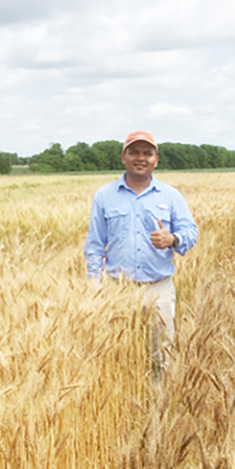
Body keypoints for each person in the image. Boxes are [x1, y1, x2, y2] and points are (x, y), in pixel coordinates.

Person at [83, 130, 198, 372]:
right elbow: (94, 246)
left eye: (147, 153)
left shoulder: (170, 196)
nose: (140, 158)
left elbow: (190, 233)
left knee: (162, 358)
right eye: (134, 152)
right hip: (119, 289)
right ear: (123, 157)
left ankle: (158, 404)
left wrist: (173, 239)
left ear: (156, 159)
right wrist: (95, 288)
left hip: (159, 288)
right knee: (118, 354)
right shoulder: (104, 196)